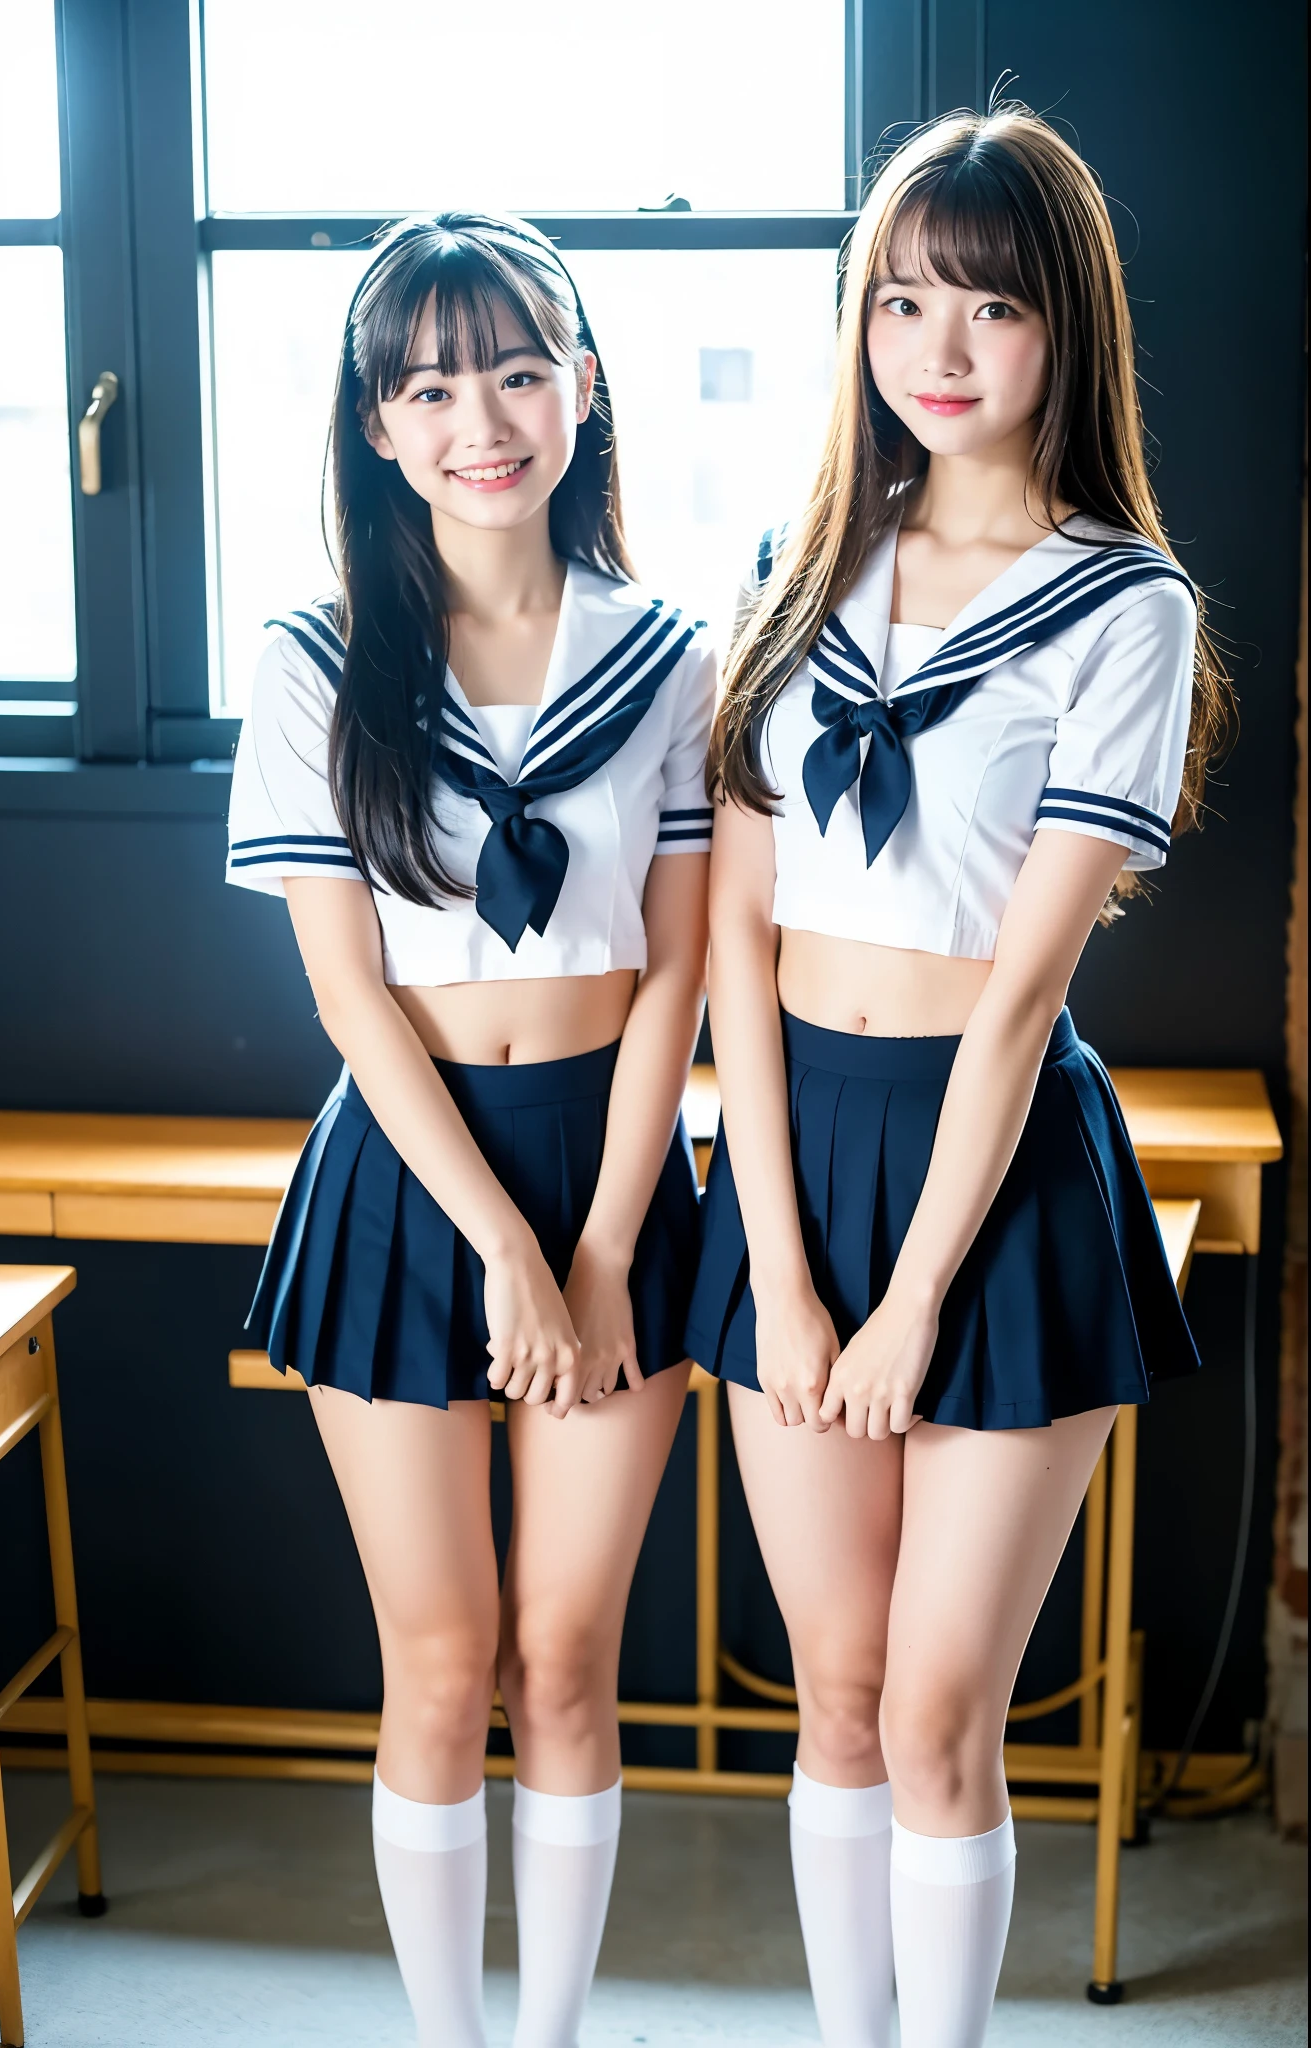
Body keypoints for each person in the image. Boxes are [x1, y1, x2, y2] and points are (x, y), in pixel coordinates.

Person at [686, 106, 1225, 2048]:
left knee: (935, 1712)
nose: (933, 344)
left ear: (1059, 329)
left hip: (993, 1179)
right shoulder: (798, 556)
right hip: (788, 1143)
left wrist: (902, 1297)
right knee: (830, 1692)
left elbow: (1017, 1000)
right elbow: (733, 936)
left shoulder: (1122, 607)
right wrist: (778, 1250)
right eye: (897, 299)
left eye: (983, 307)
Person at [225, 212, 713, 2048]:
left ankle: (555, 2036)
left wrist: (592, 1239)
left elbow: (675, 974)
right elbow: (349, 996)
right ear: (375, 424)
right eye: (428, 384)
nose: (478, 417)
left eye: (516, 369)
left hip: (614, 1162)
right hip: (405, 1176)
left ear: (582, 387)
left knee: (571, 1662)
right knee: (439, 1668)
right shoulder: (312, 660)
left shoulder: (666, 653)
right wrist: (505, 1244)